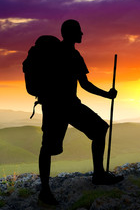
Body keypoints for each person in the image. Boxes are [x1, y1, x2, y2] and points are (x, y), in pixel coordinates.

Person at [38, 19, 124, 205]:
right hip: (66, 106)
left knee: (48, 147)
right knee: (98, 130)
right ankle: (98, 175)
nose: (82, 34)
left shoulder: (58, 53)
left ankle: (46, 189)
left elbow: (83, 84)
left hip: (55, 107)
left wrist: (106, 95)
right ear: (71, 34)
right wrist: (107, 95)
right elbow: (85, 85)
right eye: (79, 31)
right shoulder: (73, 55)